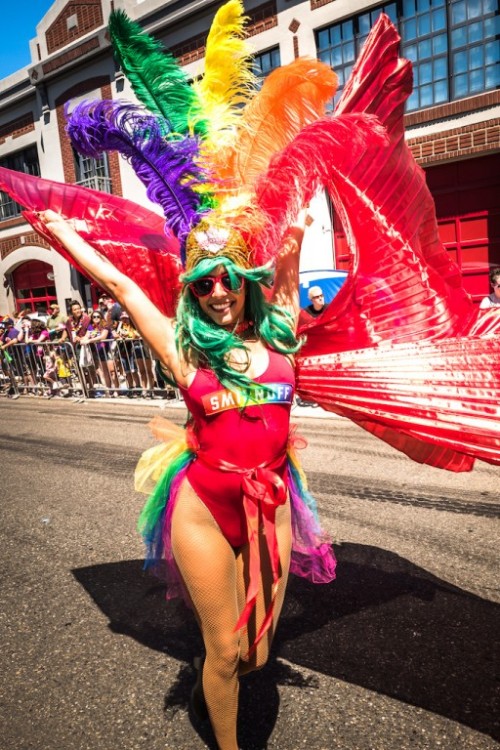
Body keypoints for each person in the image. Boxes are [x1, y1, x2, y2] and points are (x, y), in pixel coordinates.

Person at [36, 207, 335, 750]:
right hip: (205, 507)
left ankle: (211, 680)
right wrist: (61, 233)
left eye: (227, 280)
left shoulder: (282, 335)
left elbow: (288, 255)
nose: (217, 293)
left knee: (257, 652)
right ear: (191, 291)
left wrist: (294, 217)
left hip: (272, 502)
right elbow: (119, 285)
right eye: (203, 283)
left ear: (246, 283)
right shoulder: (185, 350)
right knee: (225, 650)